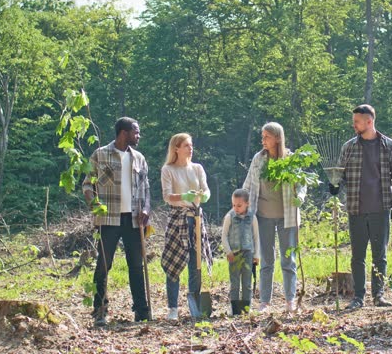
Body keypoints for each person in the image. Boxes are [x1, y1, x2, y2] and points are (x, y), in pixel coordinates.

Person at [330, 104, 392, 310]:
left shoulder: (388, 145)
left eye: (357, 121)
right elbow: (340, 174)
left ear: (369, 122)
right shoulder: (349, 147)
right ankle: (358, 297)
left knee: (379, 255)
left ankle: (378, 295)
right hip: (356, 208)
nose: (353, 125)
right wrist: (335, 184)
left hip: (381, 207)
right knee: (357, 256)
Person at [82, 117, 151, 326]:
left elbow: (146, 189)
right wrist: (94, 206)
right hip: (108, 218)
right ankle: (100, 310)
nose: (138, 136)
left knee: (136, 266)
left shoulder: (139, 158)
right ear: (123, 132)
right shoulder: (100, 154)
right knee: (103, 265)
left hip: (133, 220)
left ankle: (141, 310)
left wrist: (146, 209)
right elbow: (87, 185)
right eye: (135, 132)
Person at [242, 122, 306, 313]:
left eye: (266, 137)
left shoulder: (290, 159)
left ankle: (290, 301)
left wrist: (300, 198)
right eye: (262, 137)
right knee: (266, 260)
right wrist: (241, 204)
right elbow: (248, 184)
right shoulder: (258, 159)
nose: (263, 140)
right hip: (263, 216)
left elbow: (302, 184)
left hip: (288, 216)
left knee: (289, 259)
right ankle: (265, 302)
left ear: (277, 138)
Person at [159, 133, 212, 320]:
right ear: (176, 148)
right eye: (186, 145)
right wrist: (184, 197)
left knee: (195, 263)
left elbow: (205, 190)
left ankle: (194, 306)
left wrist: (204, 196)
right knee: (174, 262)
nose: (191, 148)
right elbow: (167, 196)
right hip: (178, 218)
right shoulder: (168, 169)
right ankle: (173, 308)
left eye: (191, 145)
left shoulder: (197, 168)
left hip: (196, 218)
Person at [221, 188, 261, 315]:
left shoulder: (252, 218)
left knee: (247, 282)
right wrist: (228, 251)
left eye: (239, 205)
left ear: (247, 204)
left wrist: (256, 255)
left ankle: (246, 308)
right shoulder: (230, 217)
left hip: (248, 253)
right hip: (234, 254)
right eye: (233, 205)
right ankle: (235, 309)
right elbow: (224, 235)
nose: (236, 208)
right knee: (234, 282)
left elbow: (256, 237)